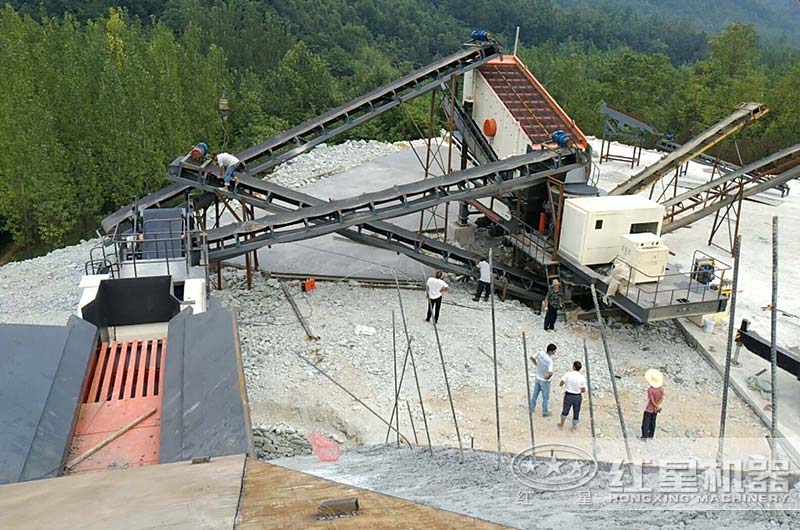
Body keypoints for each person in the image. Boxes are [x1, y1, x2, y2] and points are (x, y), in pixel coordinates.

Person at [529, 343, 557, 417]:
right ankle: (545, 412)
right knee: (545, 398)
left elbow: (532, 358)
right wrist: (547, 377)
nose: (555, 352)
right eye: (554, 351)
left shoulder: (540, 353)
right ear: (550, 351)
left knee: (535, 394)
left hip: (538, 378)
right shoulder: (550, 361)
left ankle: (531, 408)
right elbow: (550, 372)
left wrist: (536, 364)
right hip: (545, 381)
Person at [558, 360, 587, 431]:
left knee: (565, 410)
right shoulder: (582, 378)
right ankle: (573, 427)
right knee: (576, 411)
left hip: (568, 395)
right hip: (577, 396)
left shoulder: (568, 374)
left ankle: (561, 424)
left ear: (573, 367)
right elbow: (583, 390)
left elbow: (561, 383)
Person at [641, 368, 665, 439]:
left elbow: (651, 400)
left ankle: (644, 436)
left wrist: (655, 405)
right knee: (653, 422)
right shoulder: (661, 389)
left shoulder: (650, 390)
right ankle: (651, 434)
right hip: (655, 409)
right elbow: (661, 398)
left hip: (649, 408)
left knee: (646, 422)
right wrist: (657, 406)